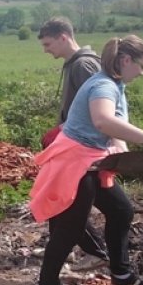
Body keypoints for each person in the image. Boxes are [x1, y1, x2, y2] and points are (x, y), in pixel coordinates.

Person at [30, 35, 143, 285]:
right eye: (141, 65)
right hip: (75, 163)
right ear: (126, 60)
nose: (142, 72)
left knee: (121, 210)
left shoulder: (114, 83)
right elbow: (103, 121)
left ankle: (121, 273)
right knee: (70, 227)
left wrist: (125, 154)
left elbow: (113, 128)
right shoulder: (104, 85)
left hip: (93, 160)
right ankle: (48, 284)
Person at [38, 17, 110, 267]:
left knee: (72, 205)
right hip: (70, 145)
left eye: (48, 44)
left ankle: (98, 253)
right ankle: (59, 247)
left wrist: (64, 130)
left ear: (63, 37)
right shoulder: (72, 64)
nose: (46, 50)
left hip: (81, 151)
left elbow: (100, 111)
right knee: (58, 197)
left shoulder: (85, 66)